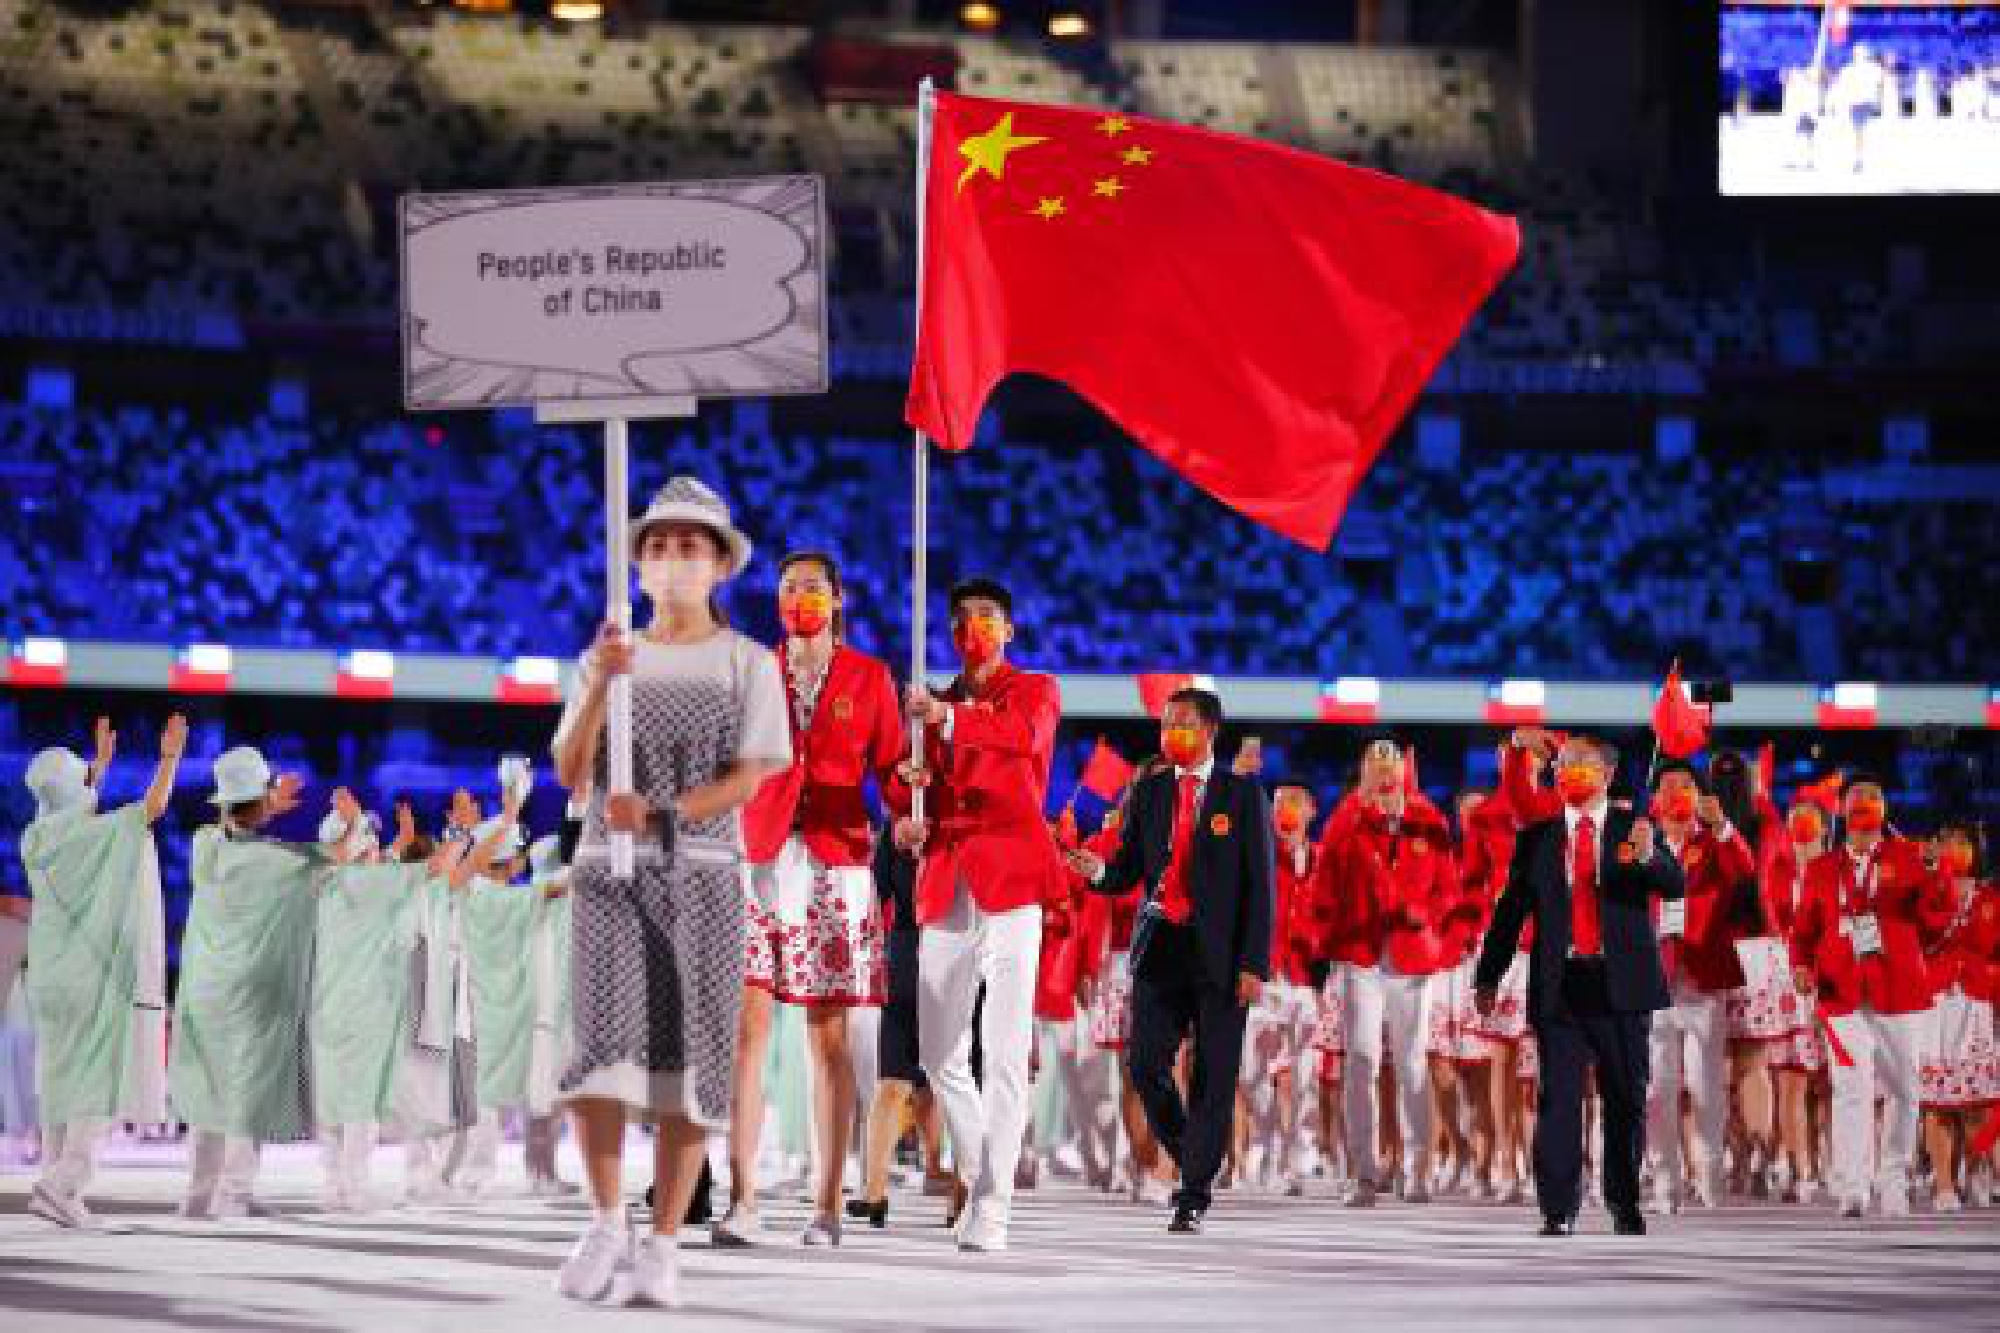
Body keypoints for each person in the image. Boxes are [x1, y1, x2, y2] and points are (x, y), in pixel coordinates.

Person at [550, 476, 791, 1307]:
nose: (673, 559)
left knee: (692, 1062)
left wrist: (658, 815)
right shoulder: (605, 654)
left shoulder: (748, 663)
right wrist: (604, 687)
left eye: (691, 546)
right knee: (597, 1058)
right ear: (639, 565)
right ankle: (607, 1220)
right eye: (658, 546)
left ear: (720, 563)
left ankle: (662, 1242)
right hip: (606, 872)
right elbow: (571, 771)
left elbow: (748, 780)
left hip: (704, 876)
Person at [724, 550, 902, 1248]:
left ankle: (828, 1202)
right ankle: (741, 1198)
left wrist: (908, 795)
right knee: (745, 1036)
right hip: (760, 858)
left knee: (826, 1038)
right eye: (789, 587)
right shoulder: (750, 671)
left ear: (837, 598)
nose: (800, 596)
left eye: (812, 587)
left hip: (833, 864)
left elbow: (893, 772)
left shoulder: (869, 677)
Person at [891, 576, 1066, 1254]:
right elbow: (915, 787)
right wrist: (908, 809)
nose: (973, 629)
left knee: (1004, 1050)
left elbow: (1021, 738)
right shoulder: (929, 704)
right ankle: (978, 1166)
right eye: (962, 619)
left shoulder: (1035, 690)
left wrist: (946, 718)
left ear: (1010, 630)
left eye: (987, 617)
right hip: (945, 880)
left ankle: (993, 1206)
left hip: (1014, 882)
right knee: (939, 1053)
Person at [1070, 688, 1274, 1233]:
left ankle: (1193, 1193)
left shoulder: (1243, 795)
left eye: (1182, 723)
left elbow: (1262, 888)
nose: (1171, 733)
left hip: (1223, 955)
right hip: (1161, 945)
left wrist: (1254, 964)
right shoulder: (1152, 790)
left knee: (1212, 1074)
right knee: (1144, 1064)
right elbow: (1128, 871)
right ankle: (1196, 1157)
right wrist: (1095, 872)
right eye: (1165, 724)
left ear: (1210, 731)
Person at [1473, 734, 1685, 1237]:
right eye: (1563, 764)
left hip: (1622, 986)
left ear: (1608, 774)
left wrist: (1652, 856)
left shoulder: (1634, 830)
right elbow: (1508, 915)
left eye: (1582, 764)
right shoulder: (1538, 837)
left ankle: (1622, 1201)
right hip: (1560, 984)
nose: (1569, 771)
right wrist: (1489, 974)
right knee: (1559, 1099)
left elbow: (1674, 885)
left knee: (1626, 1098)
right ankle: (1558, 1208)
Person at [22, 714, 185, 1229]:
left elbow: (74, 803)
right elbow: (152, 809)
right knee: (97, 1079)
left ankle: (57, 1186)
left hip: (48, 979)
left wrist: (99, 768)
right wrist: (169, 757)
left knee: (60, 1079)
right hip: (91, 976)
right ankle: (64, 1180)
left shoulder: (35, 838)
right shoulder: (94, 835)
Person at [1788, 776, 1953, 1218]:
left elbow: (1935, 926)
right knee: (1850, 1087)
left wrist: (1938, 877)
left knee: (1905, 1089)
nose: (1865, 805)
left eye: (1875, 798)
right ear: (1841, 810)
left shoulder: (1910, 858)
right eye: (1857, 799)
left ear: (1885, 809)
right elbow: (1802, 932)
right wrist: (1801, 967)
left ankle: (1893, 1179)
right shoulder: (1822, 868)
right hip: (1841, 992)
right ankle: (1853, 1185)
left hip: (1898, 989)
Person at [1312, 738, 1459, 1207]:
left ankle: (1418, 1169)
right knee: (1360, 1061)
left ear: (1403, 771)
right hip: (1361, 956)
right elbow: (1325, 880)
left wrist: (1426, 912)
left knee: (1414, 1063)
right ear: (1362, 774)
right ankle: (1365, 1173)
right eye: (1373, 767)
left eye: (1390, 764)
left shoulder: (1428, 821)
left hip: (1410, 956)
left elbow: (1449, 889)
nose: (1383, 774)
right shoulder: (1346, 821)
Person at [1642, 758, 1757, 1214]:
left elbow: (1745, 868)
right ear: (1655, 798)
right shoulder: (1639, 842)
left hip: (1703, 978)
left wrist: (1723, 824)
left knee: (1707, 1085)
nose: (1675, 793)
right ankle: (1666, 1179)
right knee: (1659, 1087)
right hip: (1654, 978)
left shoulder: (1714, 842)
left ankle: (1710, 1172)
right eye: (1666, 785)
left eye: (1684, 785)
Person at [1916, 823, 1996, 1211]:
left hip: (1976, 1001)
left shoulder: (1991, 896)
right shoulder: (1925, 889)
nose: (1954, 847)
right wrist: (1938, 880)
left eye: (1963, 842)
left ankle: (1976, 1170)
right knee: (1937, 1101)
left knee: (1976, 1103)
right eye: (1946, 840)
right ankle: (1944, 1184)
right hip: (1934, 1002)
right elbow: (1923, 934)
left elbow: (1987, 943)